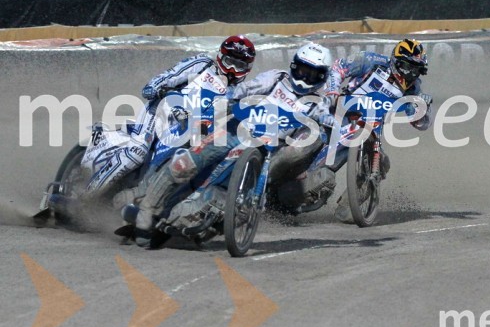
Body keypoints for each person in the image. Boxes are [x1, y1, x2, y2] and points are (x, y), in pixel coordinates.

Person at [127, 42, 335, 248]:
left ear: (322, 77)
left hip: (268, 147)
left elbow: (324, 117)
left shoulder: (318, 101)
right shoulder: (276, 77)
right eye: (302, 70)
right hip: (234, 130)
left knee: (226, 188)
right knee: (186, 163)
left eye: (313, 74)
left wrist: (336, 124)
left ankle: (207, 216)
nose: (305, 78)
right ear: (293, 67)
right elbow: (242, 90)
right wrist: (221, 105)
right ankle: (147, 210)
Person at [87, 35, 256, 197]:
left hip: (194, 132)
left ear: (247, 68)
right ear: (220, 56)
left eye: (239, 66)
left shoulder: (239, 93)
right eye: (230, 62)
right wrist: (156, 87)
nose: (233, 70)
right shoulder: (203, 65)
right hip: (160, 113)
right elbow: (170, 75)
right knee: (136, 152)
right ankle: (85, 197)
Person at [326, 39, 434, 222]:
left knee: (383, 164)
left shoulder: (413, 88)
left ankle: (348, 205)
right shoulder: (370, 60)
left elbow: (420, 124)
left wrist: (420, 109)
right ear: (396, 61)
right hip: (339, 115)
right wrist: (332, 92)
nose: (411, 73)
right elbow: (338, 68)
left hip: (372, 131)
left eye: (417, 69)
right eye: (408, 67)